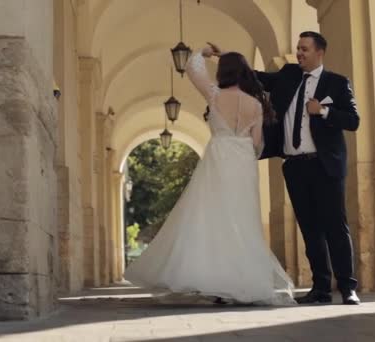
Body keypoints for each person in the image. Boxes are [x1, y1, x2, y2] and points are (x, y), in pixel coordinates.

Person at [123, 44, 295, 305]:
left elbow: (193, 68)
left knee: (214, 216)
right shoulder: (256, 105)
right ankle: (241, 280)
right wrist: (246, 149)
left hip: (218, 158)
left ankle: (218, 284)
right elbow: (258, 143)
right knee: (242, 219)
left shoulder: (214, 95)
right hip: (243, 162)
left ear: (224, 72)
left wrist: (207, 53)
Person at [210, 31, 361, 305]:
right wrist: (226, 58)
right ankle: (321, 288)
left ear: (319, 52)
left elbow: (353, 120)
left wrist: (324, 112)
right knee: (310, 229)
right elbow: (257, 78)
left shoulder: (337, 83)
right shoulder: (289, 74)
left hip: (325, 165)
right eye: (298, 49)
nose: (299, 53)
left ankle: (348, 287)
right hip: (295, 166)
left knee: (335, 227)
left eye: (304, 49)